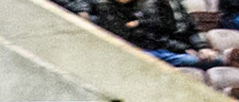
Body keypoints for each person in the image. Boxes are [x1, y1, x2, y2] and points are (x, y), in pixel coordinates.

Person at [95, 0, 225, 67]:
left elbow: (191, 28)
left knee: (217, 60)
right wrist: (179, 47)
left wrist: (203, 48)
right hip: (142, 51)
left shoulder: (172, 3)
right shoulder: (107, 6)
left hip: (167, 49)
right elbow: (144, 34)